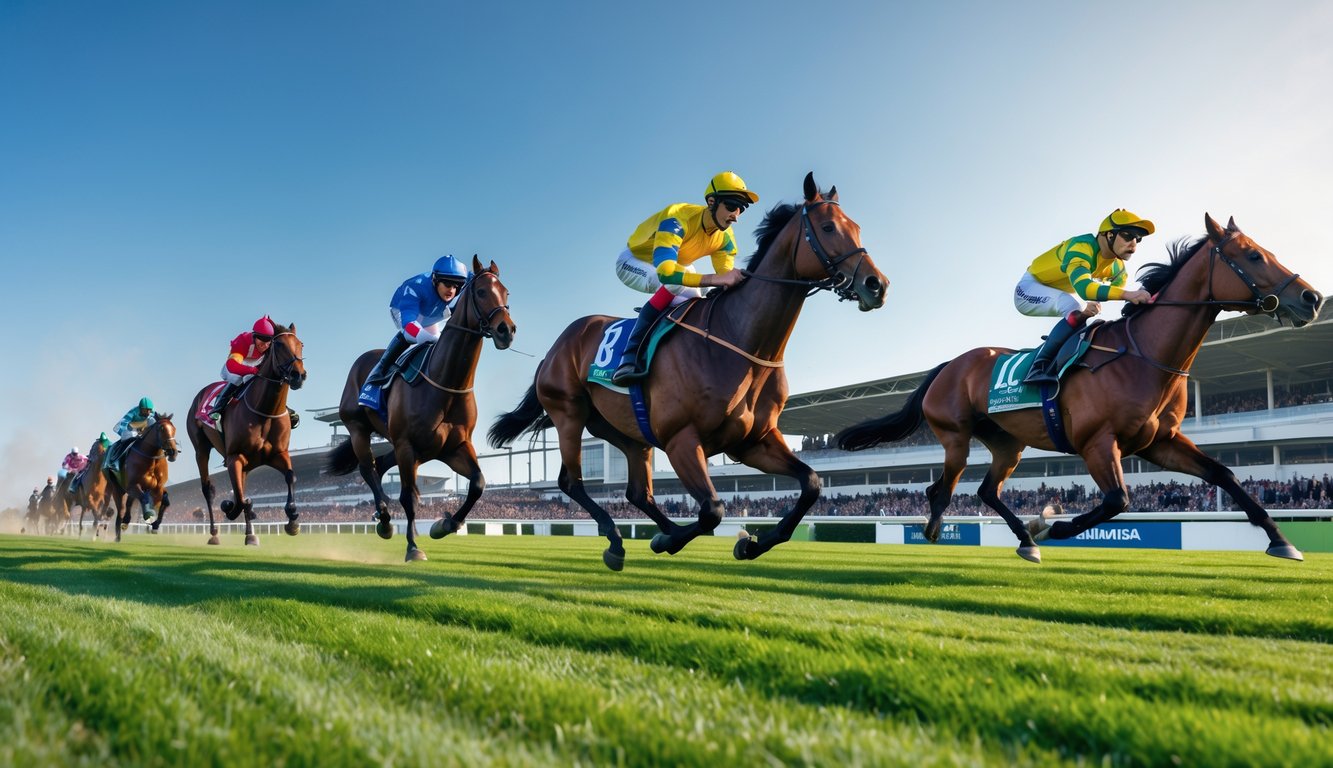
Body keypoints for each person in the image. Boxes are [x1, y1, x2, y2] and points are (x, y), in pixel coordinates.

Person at [609, 171, 758, 384]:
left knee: (699, 297)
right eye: (732, 206)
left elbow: (725, 277)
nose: (736, 215)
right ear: (712, 202)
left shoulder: (725, 237)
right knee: (675, 285)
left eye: (741, 209)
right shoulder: (677, 218)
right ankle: (629, 357)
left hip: (677, 262)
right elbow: (666, 272)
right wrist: (716, 280)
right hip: (635, 261)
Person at [1016, 209, 1156, 386]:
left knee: (1086, 315)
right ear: (1108, 235)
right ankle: (1037, 368)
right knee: (1073, 306)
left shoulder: (1118, 270)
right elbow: (1085, 289)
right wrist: (1129, 295)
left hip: (1064, 292)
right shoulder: (1081, 247)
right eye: (1128, 235)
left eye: (1138, 238)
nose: (1133, 244)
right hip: (1030, 288)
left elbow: (1105, 295)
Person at [356, 254, 470, 410]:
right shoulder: (415, 287)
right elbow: (409, 324)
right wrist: (427, 337)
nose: (451, 290)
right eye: (447, 284)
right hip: (406, 313)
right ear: (435, 280)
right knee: (418, 336)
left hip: (433, 312)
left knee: (439, 339)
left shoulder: (459, 282)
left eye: (456, 285)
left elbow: (479, 278)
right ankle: (376, 376)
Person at [208, 316, 276, 425]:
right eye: (261, 342)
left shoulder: (270, 346)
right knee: (238, 378)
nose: (264, 346)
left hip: (256, 368)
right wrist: (251, 370)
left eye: (267, 343)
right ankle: (217, 408)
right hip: (237, 366)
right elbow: (232, 365)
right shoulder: (243, 341)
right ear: (254, 337)